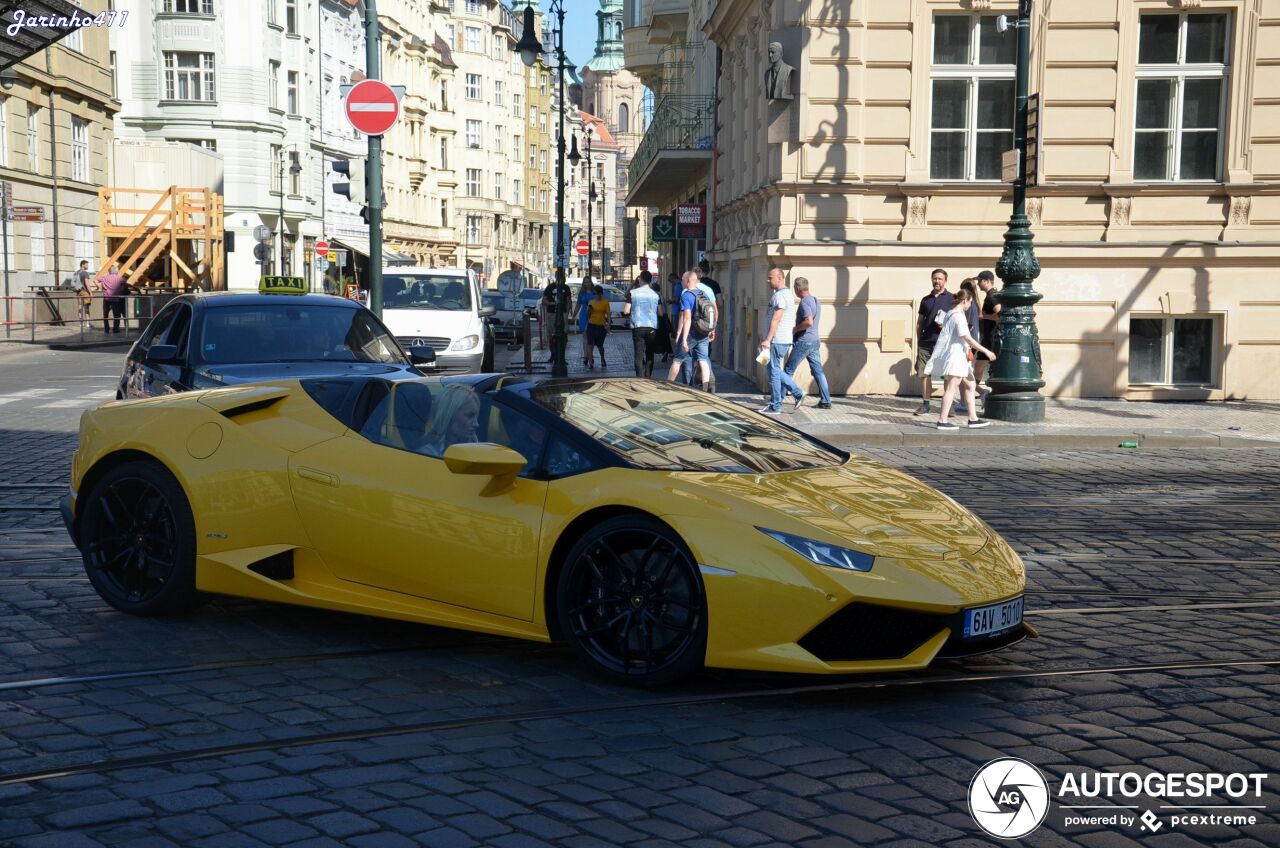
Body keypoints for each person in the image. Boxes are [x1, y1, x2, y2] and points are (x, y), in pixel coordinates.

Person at [925, 286, 996, 431]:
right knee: (951, 388)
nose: (970, 306)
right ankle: (942, 420)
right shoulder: (958, 316)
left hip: (959, 357)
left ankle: (973, 419)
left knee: (970, 385)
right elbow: (967, 338)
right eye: (970, 302)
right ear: (966, 301)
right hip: (956, 357)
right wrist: (986, 351)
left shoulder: (950, 313)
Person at [783, 277, 832, 409]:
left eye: (794, 288)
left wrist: (795, 329)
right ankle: (826, 400)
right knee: (818, 372)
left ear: (797, 288)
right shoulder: (816, 300)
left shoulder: (804, 302)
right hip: (815, 340)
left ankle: (778, 400)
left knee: (787, 370)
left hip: (804, 342)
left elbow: (809, 322)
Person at [758, 267, 802, 414]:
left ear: (780, 278)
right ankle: (797, 393)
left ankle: (776, 405)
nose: (768, 280)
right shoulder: (785, 294)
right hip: (780, 339)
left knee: (774, 373)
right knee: (774, 370)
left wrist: (768, 339)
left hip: (777, 340)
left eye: (770, 278)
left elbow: (776, 318)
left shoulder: (780, 296)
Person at [913, 269, 954, 416]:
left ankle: (948, 405)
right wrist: (919, 341)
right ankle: (925, 404)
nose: (937, 281)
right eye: (935, 278)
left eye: (940, 279)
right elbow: (919, 323)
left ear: (945, 281)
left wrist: (946, 326)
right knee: (924, 374)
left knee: (946, 374)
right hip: (925, 343)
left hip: (944, 343)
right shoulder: (926, 300)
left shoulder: (951, 298)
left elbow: (956, 320)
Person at [668, 271, 713, 391]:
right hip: (703, 332)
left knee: (677, 360)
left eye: (683, 280)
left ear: (688, 281)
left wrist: (683, 339)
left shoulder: (686, 295)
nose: (681, 282)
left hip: (691, 333)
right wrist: (711, 329)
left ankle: (667, 386)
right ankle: (705, 389)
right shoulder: (703, 294)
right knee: (703, 361)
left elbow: (686, 318)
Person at [423, 385, 481, 456]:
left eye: (476, 417)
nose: (476, 424)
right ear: (448, 415)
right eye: (469, 416)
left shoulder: (476, 450)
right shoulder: (426, 455)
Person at [624, 271, 660, 377]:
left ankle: (639, 378)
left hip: (638, 326)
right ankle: (648, 377)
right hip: (651, 327)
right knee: (650, 354)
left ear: (641, 279)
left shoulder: (633, 293)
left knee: (638, 355)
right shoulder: (655, 295)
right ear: (650, 280)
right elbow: (660, 312)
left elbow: (626, 310)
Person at [975, 269, 1001, 395]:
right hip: (989, 338)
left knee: (978, 369)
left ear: (987, 281)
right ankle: (975, 393)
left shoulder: (992, 296)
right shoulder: (992, 295)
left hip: (990, 339)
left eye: (979, 281)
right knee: (979, 369)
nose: (978, 283)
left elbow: (999, 314)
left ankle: (977, 393)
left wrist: (983, 316)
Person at [95, 265, 128, 334]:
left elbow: (95, 280)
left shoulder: (105, 277)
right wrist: (119, 290)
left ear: (109, 271)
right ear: (117, 271)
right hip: (115, 299)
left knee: (105, 314)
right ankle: (115, 329)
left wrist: (99, 287)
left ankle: (106, 329)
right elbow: (125, 284)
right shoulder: (119, 278)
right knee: (116, 315)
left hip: (106, 298)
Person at [585, 284, 611, 368]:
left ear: (601, 294)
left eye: (598, 294)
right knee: (590, 344)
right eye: (595, 294)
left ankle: (602, 358)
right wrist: (589, 311)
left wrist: (609, 325)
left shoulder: (605, 302)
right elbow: (587, 315)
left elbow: (608, 314)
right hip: (591, 325)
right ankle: (590, 362)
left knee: (600, 345)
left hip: (601, 326)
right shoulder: (591, 302)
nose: (596, 296)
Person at [573, 275, 595, 366]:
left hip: (593, 314)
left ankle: (590, 355)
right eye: (585, 282)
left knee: (592, 337)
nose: (587, 284)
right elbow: (578, 305)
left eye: (588, 282)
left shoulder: (594, 292)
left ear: (591, 282)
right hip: (583, 314)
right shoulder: (581, 293)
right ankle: (586, 356)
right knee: (585, 335)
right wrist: (574, 315)